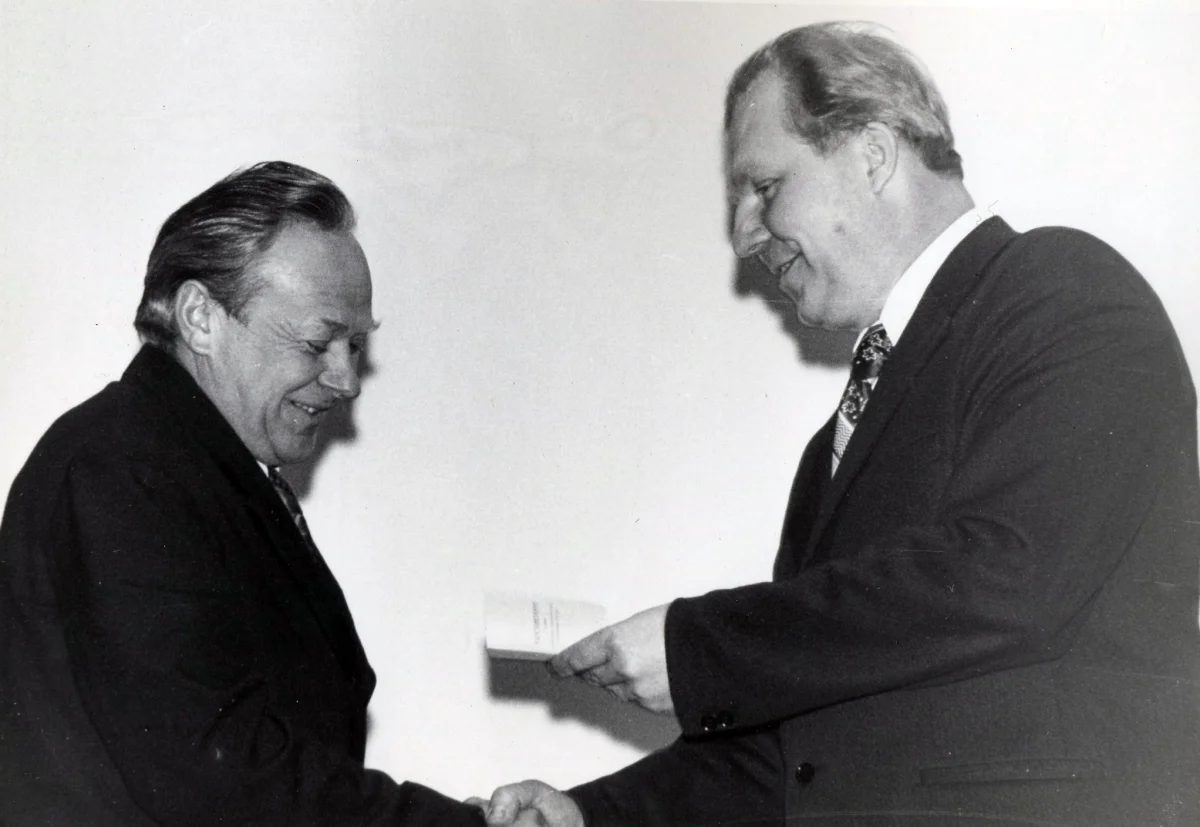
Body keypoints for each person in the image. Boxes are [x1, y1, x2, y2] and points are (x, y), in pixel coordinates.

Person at [479, 22, 1200, 827]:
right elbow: (793, 749)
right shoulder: (830, 450)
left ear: (873, 154)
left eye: (765, 187)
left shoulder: (1060, 289)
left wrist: (698, 646)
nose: (743, 235)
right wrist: (591, 814)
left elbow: (1008, 574)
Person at [0, 162, 484, 826]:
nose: (346, 379)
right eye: (317, 341)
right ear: (201, 317)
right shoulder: (118, 469)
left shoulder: (178, 464)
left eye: (354, 345)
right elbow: (214, 776)